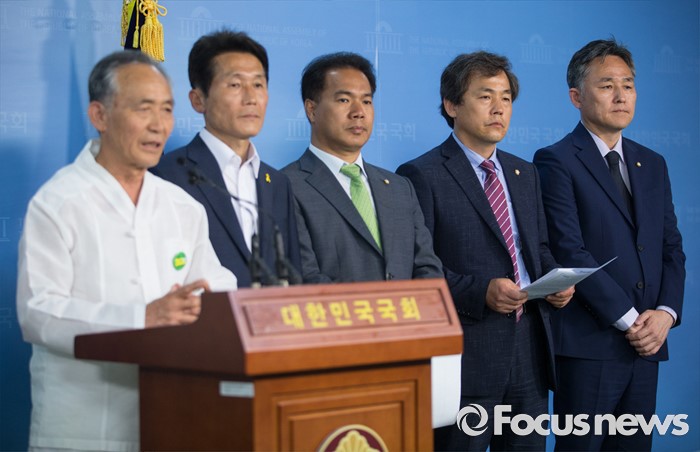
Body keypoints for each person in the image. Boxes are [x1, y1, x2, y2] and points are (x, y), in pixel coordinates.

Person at [16, 50, 237, 451]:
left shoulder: (181, 205)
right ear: (99, 115)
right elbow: (38, 313)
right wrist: (141, 318)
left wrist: (209, 305)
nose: (159, 125)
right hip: (81, 430)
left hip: (171, 418)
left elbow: (214, 285)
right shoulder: (58, 202)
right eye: (143, 108)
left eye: (167, 109)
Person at [397, 51, 574, 451]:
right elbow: (417, 271)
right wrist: (480, 292)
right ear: (451, 105)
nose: (499, 109)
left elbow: (538, 249)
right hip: (466, 358)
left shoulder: (524, 172)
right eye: (485, 96)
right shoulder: (421, 174)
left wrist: (556, 281)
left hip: (530, 352)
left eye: (506, 98)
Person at [533, 39, 686, 451]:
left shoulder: (653, 163)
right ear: (576, 97)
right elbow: (570, 250)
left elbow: (671, 248)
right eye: (606, 86)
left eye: (628, 85)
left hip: (648, 345)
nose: (621, 96)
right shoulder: (556, 160)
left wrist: (665, 315)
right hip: (590, 345)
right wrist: (631, 320)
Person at [153, 29, 300, 287]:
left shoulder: (277, 183)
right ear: (198, 100)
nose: (251, 98)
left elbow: (293, 276)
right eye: (235, 85)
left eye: (258, 84)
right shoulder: (166, 175)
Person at [282, 52, 442, 283]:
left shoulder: (399, 188)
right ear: (311, 110)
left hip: (408, 308)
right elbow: (305, 278)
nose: (359, 112)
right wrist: (379, 305)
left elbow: (428, 268)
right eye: (344, 100)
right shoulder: (286, 186)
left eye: (366, 101)